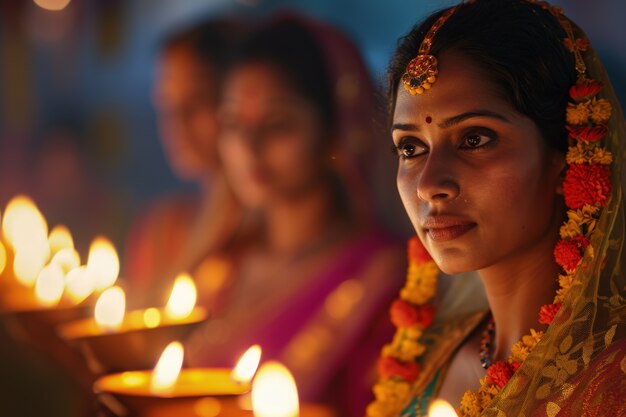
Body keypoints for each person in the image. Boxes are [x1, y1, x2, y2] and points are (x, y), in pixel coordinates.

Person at [367, 0, 626, 416]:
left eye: (475, 139)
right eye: (410, 147)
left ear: (570, 154)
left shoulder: (611, 383)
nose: (430, 185)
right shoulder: (432, 356)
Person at [185, 14, 407, 415]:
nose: (248, 148)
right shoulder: (222, 266)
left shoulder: (382, 277)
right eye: (233, 125)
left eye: (277, 125)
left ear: (336, 132)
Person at [124, 18, 244, 306]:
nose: (176, 121)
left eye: (198, 101)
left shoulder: (262, 239)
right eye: (167, 104)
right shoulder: (163, 229)